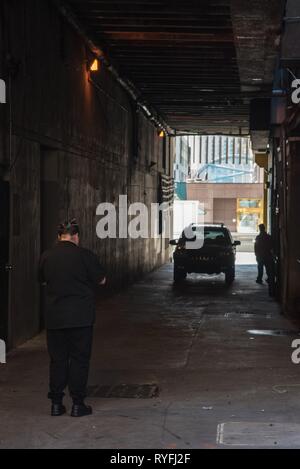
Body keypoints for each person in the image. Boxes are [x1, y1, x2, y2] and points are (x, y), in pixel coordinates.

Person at [39, 219, 106, 417]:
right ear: (76, 236)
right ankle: (78, 404)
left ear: (59, 237)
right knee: (79, 359)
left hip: (55, 317)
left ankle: (56, 404)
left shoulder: (46, 256)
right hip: (80, 318)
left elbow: (42, 280)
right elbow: (101, 279)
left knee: (57, 360)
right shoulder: (85, 255)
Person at [254, 224, 274, 292]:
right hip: (267, 255)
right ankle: (269, 278)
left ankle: (259, 279)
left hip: (260, 255)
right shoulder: (268, 237)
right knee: (268, 268)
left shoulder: (258, 237)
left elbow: (256, 247)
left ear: (260, 229)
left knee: (260, 267)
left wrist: (256, 254)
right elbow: (271, 246)